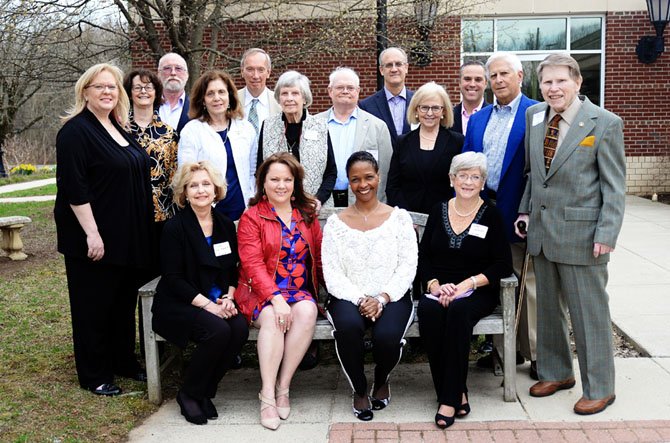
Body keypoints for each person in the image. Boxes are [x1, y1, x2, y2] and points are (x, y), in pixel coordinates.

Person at [516, 53, 625, 415]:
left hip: (584, 237)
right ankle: (557, 372)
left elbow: (614, 187)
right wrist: (524, 210)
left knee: (589, 315)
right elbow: (535, 174)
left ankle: (601, 387)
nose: (553, 88)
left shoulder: (604, 123)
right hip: (543, 233)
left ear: (578, 83)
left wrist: (607, 232)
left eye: (561, 81)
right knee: (547, 310)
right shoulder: (535, 118)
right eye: (547, 81)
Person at [55, 63, 153, 396]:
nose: (107, 92)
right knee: (93, 306)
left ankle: (123, 361)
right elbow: (74, 187)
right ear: (85, 92)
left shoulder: (115, 126)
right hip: (94, 236)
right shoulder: (75, 132)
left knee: (122, 303)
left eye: (112, 87)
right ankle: (95, 373)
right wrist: (92, 234)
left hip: (127, 236)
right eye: (100, 87)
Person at [417, 151, 512, 429]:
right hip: (440, 287)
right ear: (452, 179)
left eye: (475, 177)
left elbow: (503, 264)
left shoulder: (491, 214)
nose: (468, 182)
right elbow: (424, 257)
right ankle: (457, 392)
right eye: (463, 175)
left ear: (483, 182)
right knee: (428, 310)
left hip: (477, 289)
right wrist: (433, 285)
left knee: (459, 311)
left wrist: (468, 284)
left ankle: (447, 399)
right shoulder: (438, 210)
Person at [322, 151, 418, 421]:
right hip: (347, 297)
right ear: (349, 183)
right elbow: (332, 271)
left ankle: (381, 378)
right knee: (349, 328)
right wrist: (360, 299)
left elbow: (408, 266)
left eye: (369, 177)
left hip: (392, 295)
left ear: (378, 177)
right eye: (355, 179)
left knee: (387, 337)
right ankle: (359, 389)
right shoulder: (335, 224)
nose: (363, 185)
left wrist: (383, 298)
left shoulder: (399, 218)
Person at [152, 161, 249, 425]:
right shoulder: (175, 228)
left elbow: (232, 270)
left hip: (217, 299)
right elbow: (173, 279)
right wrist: (210, 306)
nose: (200, 190)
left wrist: (228, 298)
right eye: (193, 185)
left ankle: (205, 391)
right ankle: (189, 394)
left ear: (216, 189)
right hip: (180, 302)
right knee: (218, 331)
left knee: (239, 328)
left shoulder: (226, 225)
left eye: (206, 184)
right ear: (184, 193)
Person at [234, 153, 323, 430]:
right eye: (274, 179)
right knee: (274, 317)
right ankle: (267, 395)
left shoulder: (306, 215)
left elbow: (319, 257)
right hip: (259, 291)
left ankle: (284, 386)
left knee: (307, 311)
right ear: (263, 182)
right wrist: (275, 299)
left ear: (295, 183)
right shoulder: (252, 217)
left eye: (287, 179)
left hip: (298, 290)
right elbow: (252, 264)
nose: (281, 185)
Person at [463, 52, 539, 376]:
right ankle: (501, 352)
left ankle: (535, 354)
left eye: (504, 74)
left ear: (520, 76)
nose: (498, 81)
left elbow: (539, 167)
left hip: (518, 208)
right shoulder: (479, 118)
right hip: (484, 211)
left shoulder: (535, 113)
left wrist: (529, 209)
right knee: (492, 279)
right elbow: (467, 164)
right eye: (493, 76)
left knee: (527, 283)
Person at [178, 70, 256, 221]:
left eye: (221, 92)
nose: (217, 98)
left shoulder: (246, 128)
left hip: (244, 212)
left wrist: (252, 201)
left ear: (230, 96)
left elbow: (253, 172)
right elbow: (186, 175)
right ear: (203, 100)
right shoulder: (192, 131)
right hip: (208, 213)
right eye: (210, 93)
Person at [123, 68, 179, 269]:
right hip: (128, 211)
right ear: (129, 92)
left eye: (149, 87)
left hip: (163, 213)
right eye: (137, 87)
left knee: (159, 268)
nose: (143, 91)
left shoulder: (169, 133)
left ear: (157, 92)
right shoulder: (118, 130)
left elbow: (174, 173)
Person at [257, 70, 336, 208]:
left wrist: (318, 199)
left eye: (295, 93)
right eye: (284, 93)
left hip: (315, 207)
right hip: (277, 206)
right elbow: (260, 169)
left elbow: (331, 171)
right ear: (278, 98)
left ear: (304, 98)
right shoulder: (268, 125)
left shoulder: (320, 126)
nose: (289, 98)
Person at [316, 67, 393, 207]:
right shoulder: (313, 124)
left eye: (350, 88)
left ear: (358, 91)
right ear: (329, 91)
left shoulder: (377, 127)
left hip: (363, 202)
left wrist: (377, 204)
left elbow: (385, 171)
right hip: (323, 203)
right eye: (340, 87)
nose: (345, 91)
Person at [386, 82, 463, 214]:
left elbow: (461, 184)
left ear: (444, 111)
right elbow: (393, 186)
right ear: (416, 110)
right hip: (408, 220)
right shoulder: (402, 142)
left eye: (435, 108)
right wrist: (407, 216)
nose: (429, 113)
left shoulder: (457, 142)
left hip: (445, 218)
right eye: (424, 107)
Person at [359, 47, 414, 145]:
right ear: (381, 70)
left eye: (398, 64)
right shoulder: (366, 106)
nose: (394, 69)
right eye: (389, 65)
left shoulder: (419, 102)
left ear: (406, 68)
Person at [452, 61, 488, 136]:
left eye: (478, 80)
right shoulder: (448, 117)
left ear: (485, 84)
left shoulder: (494, 116)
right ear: (459, 83)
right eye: (467, 79)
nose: (472, 84)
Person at [157, 52, 190, 133]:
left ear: (187, 75)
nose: (173, 73)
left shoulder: (197, 107)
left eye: (178, 68)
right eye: (167, 68)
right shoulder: (148, 105)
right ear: (158, 74)